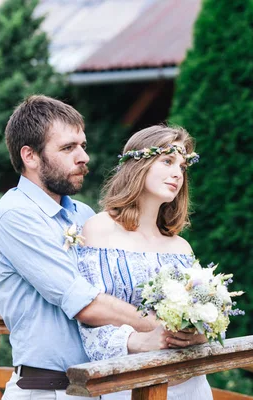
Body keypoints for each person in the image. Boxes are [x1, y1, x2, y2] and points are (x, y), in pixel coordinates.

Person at [0, 95, 159, 400]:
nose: (84, 157)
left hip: (98, 386)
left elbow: (112, 290)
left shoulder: (83, 214)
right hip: (47, 390)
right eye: (68, 148)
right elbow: (83, 302)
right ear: (31, 157)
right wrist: (156, 325)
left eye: (83, 145)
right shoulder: (14, 216)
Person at [77, 125, 213, 399]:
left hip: (189, 385)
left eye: (183, 166)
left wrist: (200, 333)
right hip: (127, 383)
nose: (178, 173)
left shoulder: (181, 247)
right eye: (167, 161)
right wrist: (137, 341)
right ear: (138, 165)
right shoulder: (98, 230)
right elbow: (86, 317)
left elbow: (204, 321)